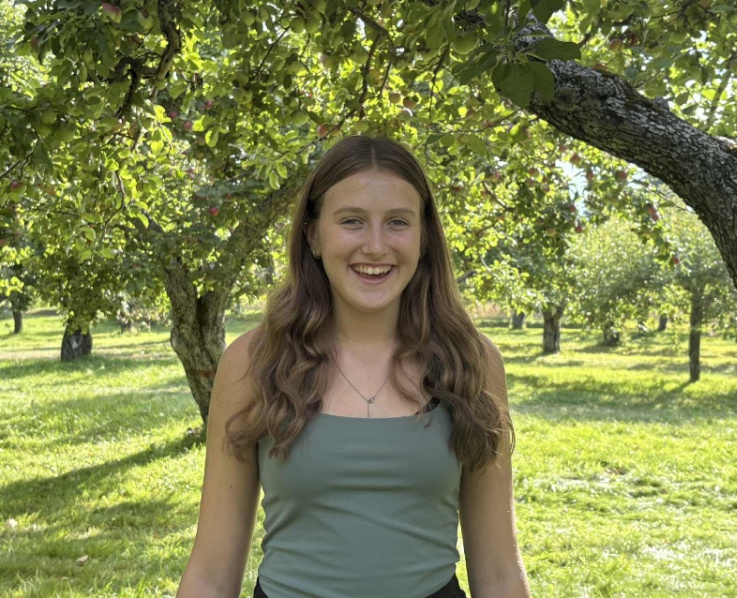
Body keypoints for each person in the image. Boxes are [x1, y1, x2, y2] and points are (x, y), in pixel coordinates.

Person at [176, 135, 531, 598]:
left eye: (397, 222)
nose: (376, 246)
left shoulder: (471, 362)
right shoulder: (254, 361)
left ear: (423, 237)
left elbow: (500, 573)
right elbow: (210, 574)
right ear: (313, 235)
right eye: (352, 221)